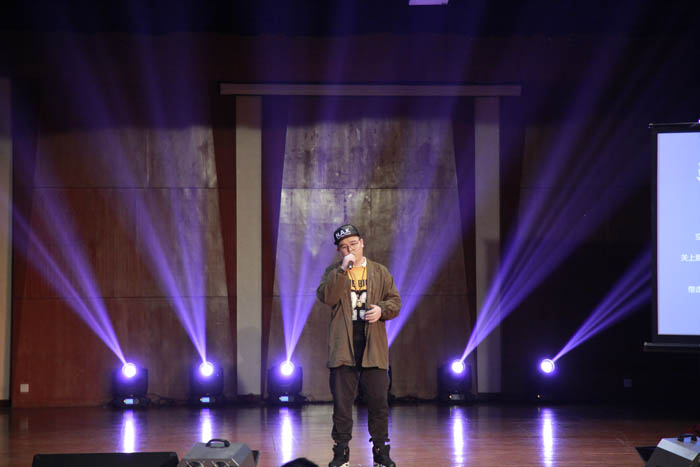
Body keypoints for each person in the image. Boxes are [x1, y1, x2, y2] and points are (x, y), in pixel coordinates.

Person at [316, 223, 401, 467]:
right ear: (339, 251)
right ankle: (341, 452)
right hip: (344, 348)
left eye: (353, 244)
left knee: (378, 403)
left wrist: (381, 310)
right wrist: (342, 271)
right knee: (342, 405)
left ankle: (381, 452)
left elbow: (395, 302)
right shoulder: (333, 272)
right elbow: (327, 297)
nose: (349, 249)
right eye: (344, 247)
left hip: (373, 347)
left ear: (362, 243)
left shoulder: (379, 271)